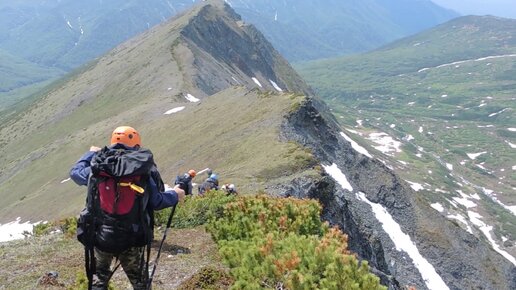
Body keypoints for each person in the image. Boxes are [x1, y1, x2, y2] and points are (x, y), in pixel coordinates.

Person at [70, 126, 185, 290]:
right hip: (131, 237)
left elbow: (75, 173)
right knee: (141, 284)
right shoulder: (141, 168)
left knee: (98, 282)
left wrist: (91, 154)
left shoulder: (99, 166)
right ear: (136, 144)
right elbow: (157, 201)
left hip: (101, 236)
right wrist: (175, 195)